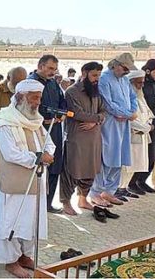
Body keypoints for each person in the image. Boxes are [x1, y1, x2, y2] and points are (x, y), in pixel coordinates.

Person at [0, 79, 54, 278]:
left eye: (39, 97)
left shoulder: (36, 120)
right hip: (14, 183)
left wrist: (48, 154)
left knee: (31, 221)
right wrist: (38, 157)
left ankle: (25, 255)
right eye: (33, 97)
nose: (38, 102)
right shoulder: (5, 121)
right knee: (12, 221)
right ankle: (10, 261)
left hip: (35, 180)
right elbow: (11, 153)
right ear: (20, 98)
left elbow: (48, 141)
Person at [90, 53, 138, 208]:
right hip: (110, 123)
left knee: (119, 158)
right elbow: (107, 103)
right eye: (124, 68)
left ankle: (109, 191)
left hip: (124, 124)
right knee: (106, 157)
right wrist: (126, 114)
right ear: (115, 65)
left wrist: (131, 112)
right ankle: (95, 193)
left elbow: (133, 97)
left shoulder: (125, 80)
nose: (126, 72)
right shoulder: (104, 79)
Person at [59, 62, 106, 215]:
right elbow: (77, 114)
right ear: (84, 73)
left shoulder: (97, 90)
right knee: (72, 170)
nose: (96, 79)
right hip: (77, 138)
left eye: (98, 75)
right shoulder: (72, 92)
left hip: (94, 138)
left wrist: (95, 121)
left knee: (90, 170)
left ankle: (83, 199)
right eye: (93, 75)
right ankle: (66, 202)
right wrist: (97, 119)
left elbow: (104, 111)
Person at [0, 67, 27, 222]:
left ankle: (9, 209)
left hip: (18, 139)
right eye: (16, 82)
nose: (17, 86)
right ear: (8, 77)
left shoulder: (23, 92)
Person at [28, 55, 66, 213]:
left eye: (54, 69)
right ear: (41, 66)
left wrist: (62, 113)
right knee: (39, 166)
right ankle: (35, 206)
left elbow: (62, 100)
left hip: (55, 130)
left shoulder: (53, 83)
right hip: (38, 130)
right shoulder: (30, 83)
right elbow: (29, 107)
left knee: (55, 164)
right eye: (50, 68)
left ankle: (47, 204)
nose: (53, 72)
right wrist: (44, 120)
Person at [116, 70, 153, 201]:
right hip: (130, 135)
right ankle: (118, 189)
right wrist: (146, 127)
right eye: (138, 83)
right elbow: (129, 118)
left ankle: (124, 188)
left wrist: (148, 125)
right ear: (131, 82)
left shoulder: (140, 97)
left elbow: (149, 114)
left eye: (142, 83)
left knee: (135, 164)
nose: (141, 86)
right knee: (126, 164)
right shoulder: (125, 98)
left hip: (142, 135)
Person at [136, 59, 155, 195]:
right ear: (148, 71)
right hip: (146, 124)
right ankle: (134, 182)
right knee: (145, 153)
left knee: (154, 154)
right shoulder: (143, 85)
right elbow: (147, 102)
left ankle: (143, 181)